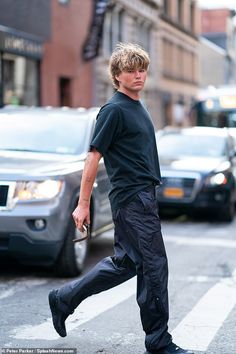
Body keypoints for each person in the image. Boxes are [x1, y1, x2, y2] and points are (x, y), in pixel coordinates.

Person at [48, 43, 194, 354]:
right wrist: (83, 203)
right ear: (117, 75)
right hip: (132, 199)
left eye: (142, 69)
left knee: (127, 263)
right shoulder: (113, 110)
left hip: (143, 197)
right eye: (131, 70)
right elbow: (93, 157)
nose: (139, 75)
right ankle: (158, 342)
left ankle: (64, 298)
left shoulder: (138, 106)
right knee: (154, 267)